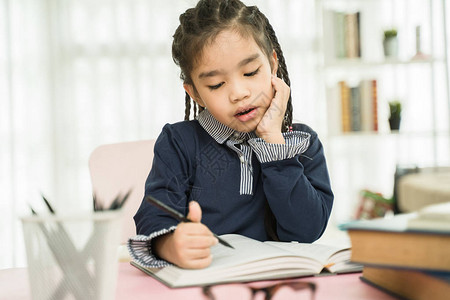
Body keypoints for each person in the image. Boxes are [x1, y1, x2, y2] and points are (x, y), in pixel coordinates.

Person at [128, 0, 333, 270]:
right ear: (196, 93)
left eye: (250, 72)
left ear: (273, 65)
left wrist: (273, 140)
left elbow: (307, 230)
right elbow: (153, 217)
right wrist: (171, 245)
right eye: (216, 84)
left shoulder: (302, 143)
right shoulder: (178, 143)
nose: (238, 93)